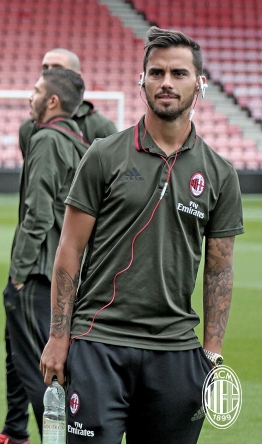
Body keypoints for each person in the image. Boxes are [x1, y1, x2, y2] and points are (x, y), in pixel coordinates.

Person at [40, 27, 244, 443]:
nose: (166, 82)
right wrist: (58, 336)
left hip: (177, 353)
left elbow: (219, 270)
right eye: (156, 73)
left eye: (178, 73)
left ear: (199, 84)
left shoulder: (220, 173)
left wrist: (212, 351)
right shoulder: (103, 155)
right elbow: (69, 250)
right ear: (142, 82)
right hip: (99, 344)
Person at [0, 47, 117, 444]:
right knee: (33, 362)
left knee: (40, 375)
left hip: (40, 271)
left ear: (54, 99)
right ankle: (16, 432)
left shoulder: (48, 138)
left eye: (37, 87)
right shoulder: (77, 140)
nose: (31, 94)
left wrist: (19, 274)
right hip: (68, 270)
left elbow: (38, 213)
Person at [18, 48, 117, 159]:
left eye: (58, 69)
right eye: (45, 69)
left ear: (77, 77)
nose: (49, 74)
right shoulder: (28, 127)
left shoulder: (101, 126)